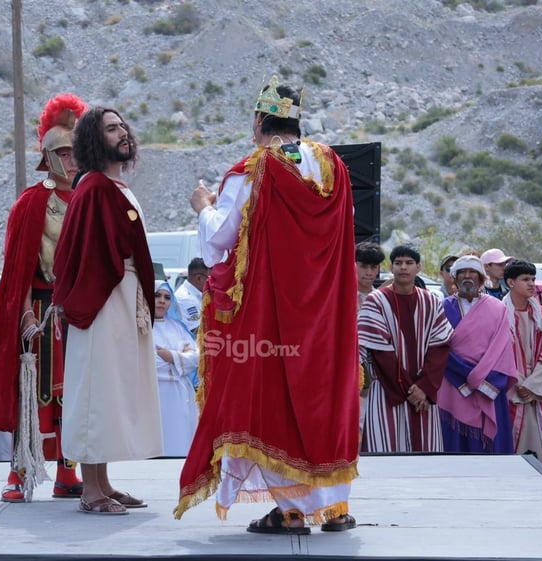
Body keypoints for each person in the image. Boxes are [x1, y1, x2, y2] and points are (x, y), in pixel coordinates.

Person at [175, 76, 359, 534]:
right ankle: (335, 508)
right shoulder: (332, 165)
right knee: (324, 395)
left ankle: (291, 511)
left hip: (273, 309)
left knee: (271, 398)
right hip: (325, 312)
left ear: (259, 120)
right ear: (295, 120)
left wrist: (203, 206)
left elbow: (220, 239)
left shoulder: (253, 168)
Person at [0, 93, 87, 502]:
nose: (72, 161)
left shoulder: (91, 197)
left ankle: (68, 470)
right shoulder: (30, 203)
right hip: (38, 307)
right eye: (65, 153)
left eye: (77, 152)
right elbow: (16, 269)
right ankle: (19, 471)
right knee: (31, 390)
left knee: (75, 392)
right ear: (49, 156)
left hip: (79, 312)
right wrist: (22, 315)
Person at [52, 105, 162, 515]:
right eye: (111, 128)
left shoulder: (116, 188)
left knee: (112, 391)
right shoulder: (94, 187)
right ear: (95, 140)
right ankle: (89, 491)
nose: (122, 133)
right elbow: (75, 254)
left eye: (123, 126)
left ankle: (103, 482)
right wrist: (94, 298)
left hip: (122, 295)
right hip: (101, 302)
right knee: (97, 391)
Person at [358, 246, 453, 452]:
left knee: (425, 459)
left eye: (409, 263)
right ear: (390, 267)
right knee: (385, 450)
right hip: (386, 390)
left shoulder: (431, 301)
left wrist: (426, 387)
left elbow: (440, 347)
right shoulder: (376, 301)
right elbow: (380, 351)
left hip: (423, 392)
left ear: (418, 267)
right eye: (399, 263)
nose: (403, 267)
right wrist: (412, 391)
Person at [438, 256, 517, 454]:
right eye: (462, 273)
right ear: (454, 279)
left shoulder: (498, 308)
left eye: (472, 272)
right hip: (453, 383)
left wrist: (481, 378)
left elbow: (502, 348)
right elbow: (438, 346)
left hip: (490, 382)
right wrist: (466, 374)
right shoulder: (442, 308)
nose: (467, 276)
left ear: (482, 278)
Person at [502, 259, 542, 467]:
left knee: (541, 448)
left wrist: (531, 386)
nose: (532, 283)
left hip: (535, 393)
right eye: (525, 279)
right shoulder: (498, 312)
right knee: (512, 446)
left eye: (533, 279)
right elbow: (497, 354)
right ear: (510, 282)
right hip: (510, 390)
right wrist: (517, 382)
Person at [153, 280, 199, 456]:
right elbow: (151, 362)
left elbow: (195, 357)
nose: (162, 301)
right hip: (155, 392)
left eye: (166, 297)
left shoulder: (178, 327)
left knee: (180, 444)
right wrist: (180, 356)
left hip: (180, 394)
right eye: (157, 296)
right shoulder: (142, 327)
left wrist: (172, 356)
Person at [354, 240, 385, 432]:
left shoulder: (383, 299)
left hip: (375, 372)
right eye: (364, 266)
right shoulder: (340, 295)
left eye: (373, 267)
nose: (369, 272)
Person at [174, 258, 208, 334]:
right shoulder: (185, 299)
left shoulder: (195, 295)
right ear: (199, 279)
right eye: (212, 279)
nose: (214, 283)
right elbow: (197, 332)